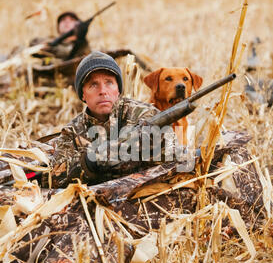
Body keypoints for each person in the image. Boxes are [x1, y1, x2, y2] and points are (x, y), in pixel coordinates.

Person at [42, 51, 183, 189]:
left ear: (118, 90)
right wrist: (90, 162)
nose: (103, 91)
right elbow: (54, 177)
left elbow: (175, 160)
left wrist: (146, 148)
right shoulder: (72, 132)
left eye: (109, 83)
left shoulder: (146, 114)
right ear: (83, 95)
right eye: (93, 85)